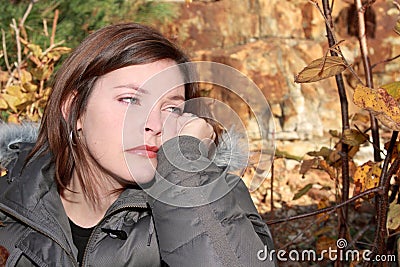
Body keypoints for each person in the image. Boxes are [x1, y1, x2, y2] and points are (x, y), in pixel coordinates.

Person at [0, 23, 275, 266]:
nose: (153, 124)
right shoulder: (8, 205)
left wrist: (186, 169)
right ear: (75, 110)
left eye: (172, 108)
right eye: (130, 100)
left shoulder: (215, 196)